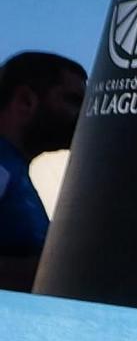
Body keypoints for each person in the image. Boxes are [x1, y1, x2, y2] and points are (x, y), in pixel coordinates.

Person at [0, 50, 85, 291]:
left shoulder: (14, 170)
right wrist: (58, 271)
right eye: (74, 101)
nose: (85, 116)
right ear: (26, 100)